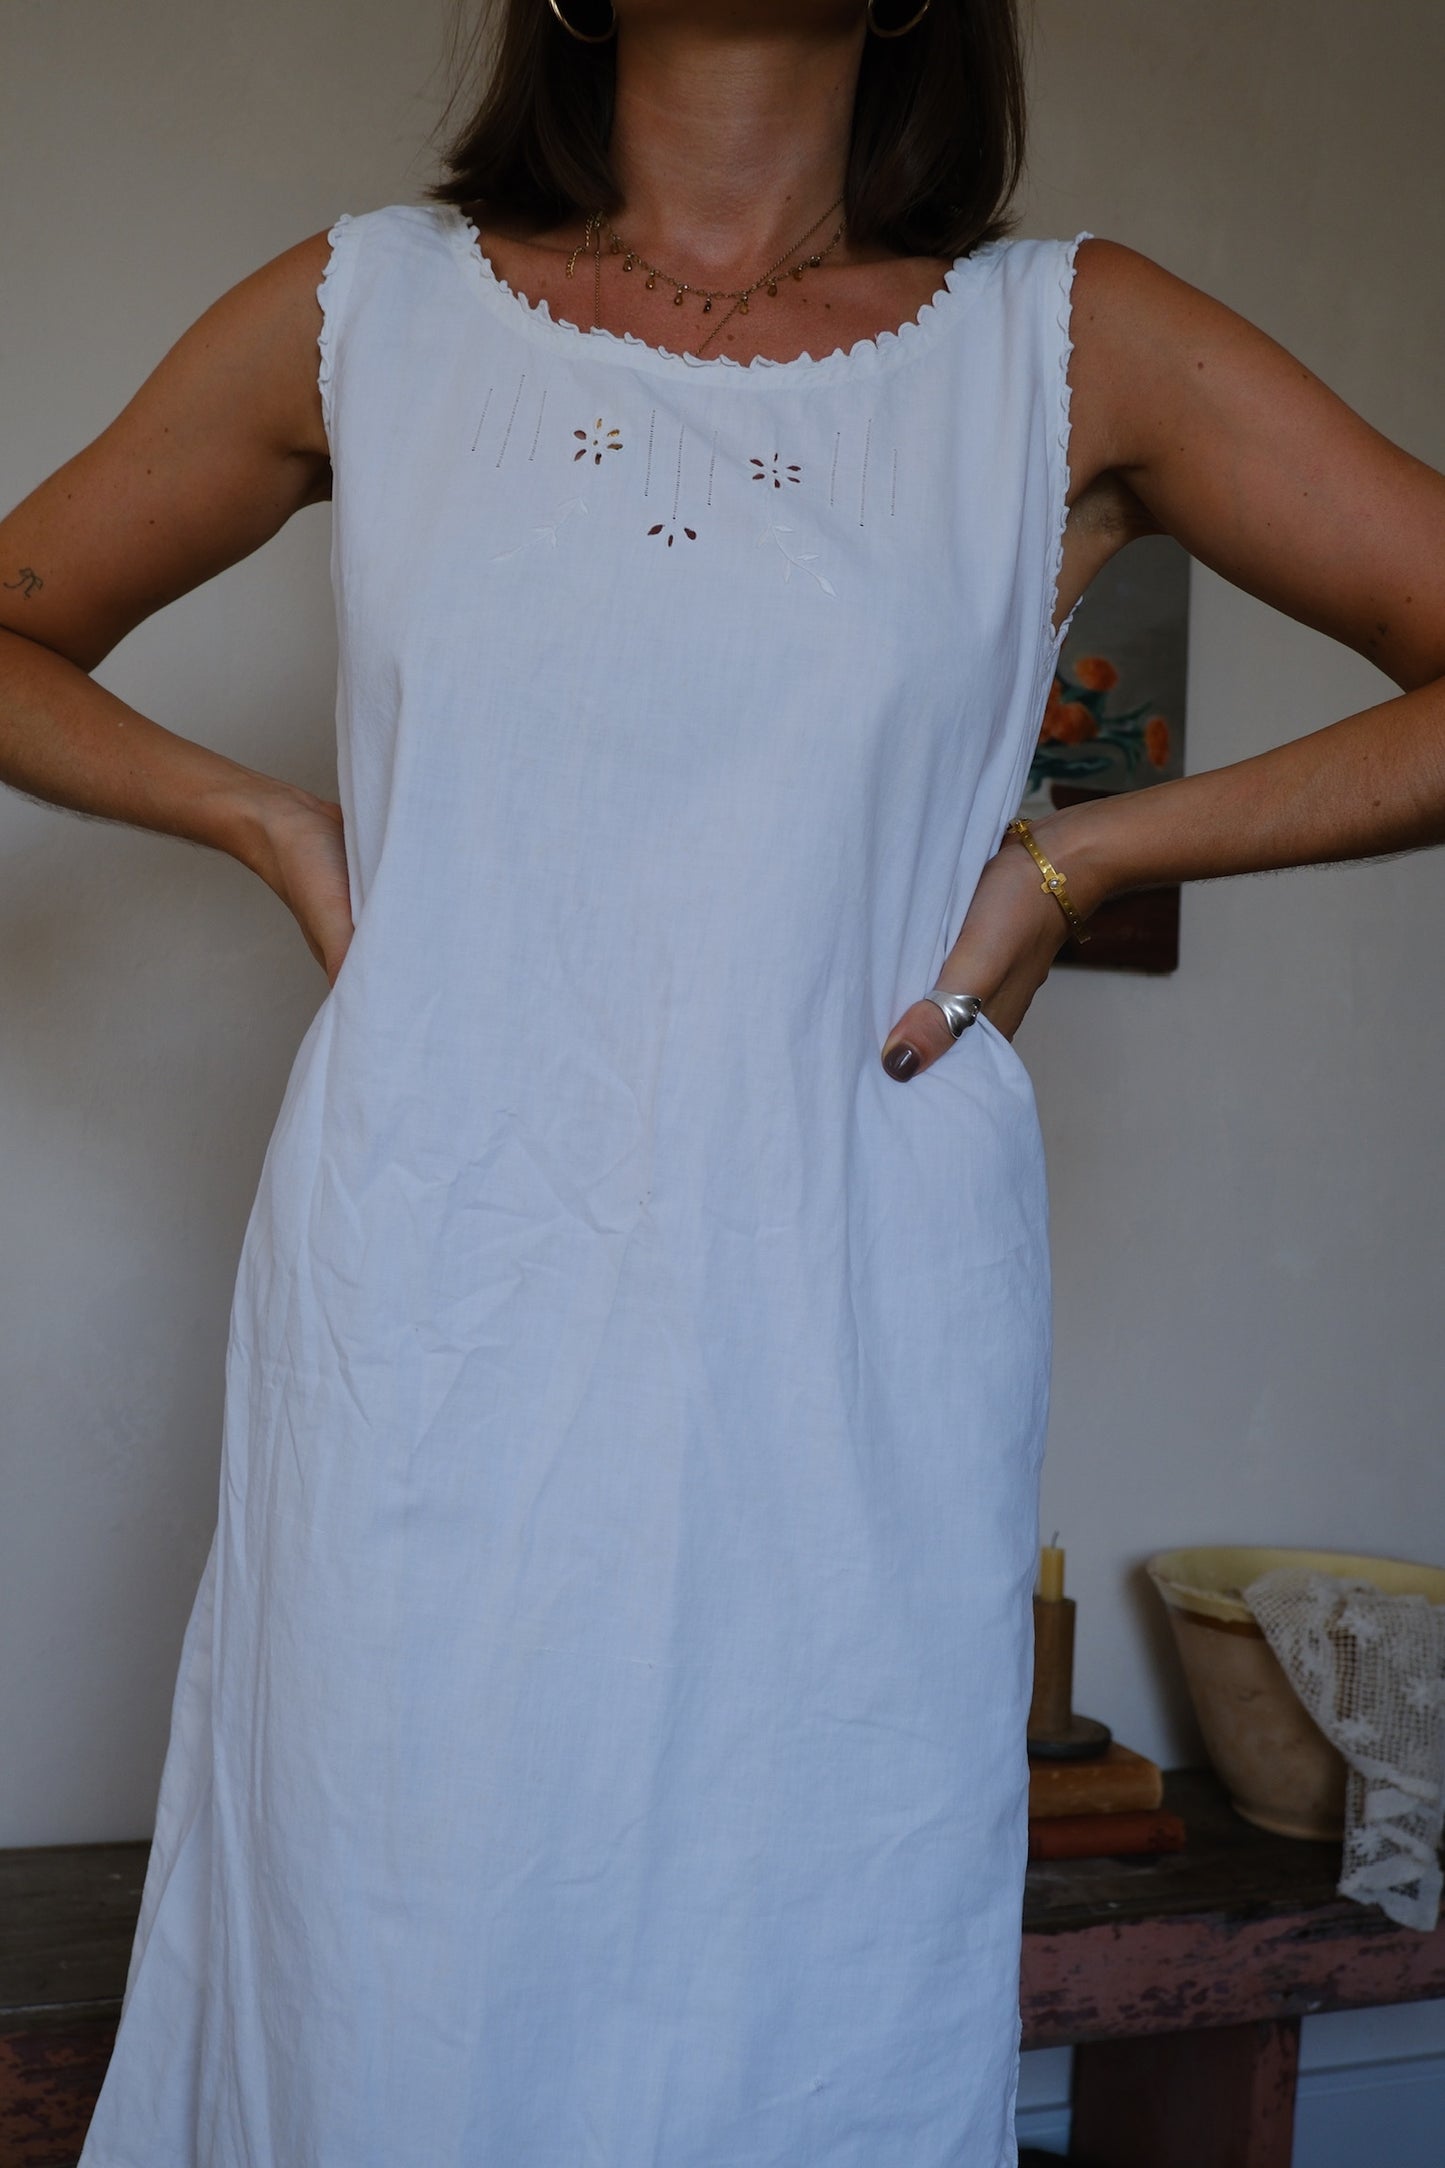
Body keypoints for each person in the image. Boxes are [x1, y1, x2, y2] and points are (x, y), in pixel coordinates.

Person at [3, 1, 1442, 2162]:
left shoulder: (1061, 348)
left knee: (794, 1996)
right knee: (398, 1987)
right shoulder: (368, 312)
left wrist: (1089, 853)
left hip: (835, 1344)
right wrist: (266, 820)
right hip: (432, 1328)